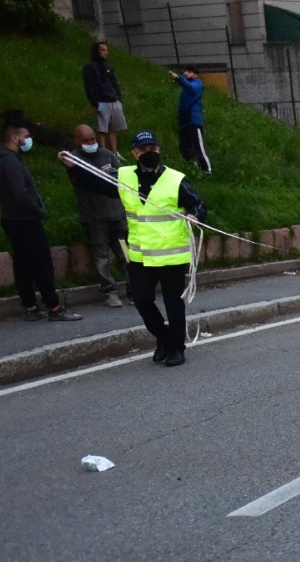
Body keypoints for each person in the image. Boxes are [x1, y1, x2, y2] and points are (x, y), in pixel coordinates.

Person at [118, 131, 207, 366]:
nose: (150, 153)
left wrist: (194, 215)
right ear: (134, 153)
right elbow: (96, 181)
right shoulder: (123, 176)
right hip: (140, 255)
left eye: (153, 149)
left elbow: (198, 203)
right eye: (144, 150)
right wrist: (72, 166)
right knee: (141, 300)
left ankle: (177, 347)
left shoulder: (175, 179)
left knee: (173, 303)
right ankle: (164, 336)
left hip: (171, 254)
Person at [0, 122, 82, 322]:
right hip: (25, 219)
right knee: (41, 263)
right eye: (26, 136)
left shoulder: (0, 160)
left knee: (23, 263)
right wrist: (38, 209)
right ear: (15, 138)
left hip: (12, 218)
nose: (28, 139)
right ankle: (54, 306)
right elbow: (20, 193)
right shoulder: (11, 162)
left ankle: (30, 305)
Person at [60, 124, 127, 307]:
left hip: (117, 214)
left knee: (126, 254)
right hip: (94, 218)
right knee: (101, 257)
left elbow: (121, 177)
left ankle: (134, 287)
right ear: (77, 141)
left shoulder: (107, 155)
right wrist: (70, 165)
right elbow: (79, 177)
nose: (91, 143)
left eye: (93, 139)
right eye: (86, 141)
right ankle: (110, 292)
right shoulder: (74, 160)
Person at [82, 41, 126, 153]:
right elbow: (89, 86)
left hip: (114, 100)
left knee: (114, 128)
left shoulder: (108, 66)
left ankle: (115, 152)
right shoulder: (90, 67)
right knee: (102, 129)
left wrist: (118, 98)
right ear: (96, 51)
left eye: (106, 50)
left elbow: (114, 83)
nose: (106, 52)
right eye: (103, 50)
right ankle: (103, 151)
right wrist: (95, 103)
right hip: (101, 101)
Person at [168, 66, 211, 174]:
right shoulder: (187, 87)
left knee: (199, 148)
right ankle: (194, 167)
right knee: (184, 148)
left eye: (189, 71)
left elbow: (190, 87)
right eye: (185, 71)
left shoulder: (197, 85)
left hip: (194, 121)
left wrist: (179, 79)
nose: (186, 73)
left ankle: (207, 171)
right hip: (185, 122)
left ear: (195, 74)